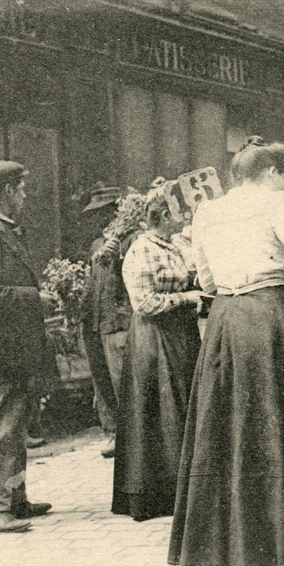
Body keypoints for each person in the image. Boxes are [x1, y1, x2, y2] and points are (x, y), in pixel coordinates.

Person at [170, 137, 284, 566]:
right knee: (275, 418)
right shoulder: (277, 202)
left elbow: (203, 276)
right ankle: (282, 542)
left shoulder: (208, 210)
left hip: (226, 315)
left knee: (225, 423)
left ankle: (224, 546)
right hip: (268, 313)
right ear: (271, 173)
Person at [0, 161, 56, 533]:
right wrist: (35, 298)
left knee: (15, 423)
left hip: (14, 344)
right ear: (4, 192)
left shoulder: (0, 229)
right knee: (1, 423)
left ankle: (14, 498)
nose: (24, 195)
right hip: (1, 345)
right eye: (20, 188)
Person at [111, 191, 202, 521]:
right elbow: (144, 303)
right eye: (178, 213)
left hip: (180, 336)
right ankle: (157, 495)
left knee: (179, 407)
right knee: (160, 410)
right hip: (154, 338)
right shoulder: (141, 249)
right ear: (163, 216)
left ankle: (183, 491)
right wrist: (188, 298)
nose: (184, 218)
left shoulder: (174, 245)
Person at [81, 185, 132, 459]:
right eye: (95, 213)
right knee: (102, 382)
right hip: (96, 321)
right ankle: (112, 431)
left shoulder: (131, 240)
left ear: (118, 210)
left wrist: (119, 254)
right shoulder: (97, 245)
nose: (99, 217)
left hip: (118, 320)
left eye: (104, 211)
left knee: (121, 379)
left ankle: (129, 434)